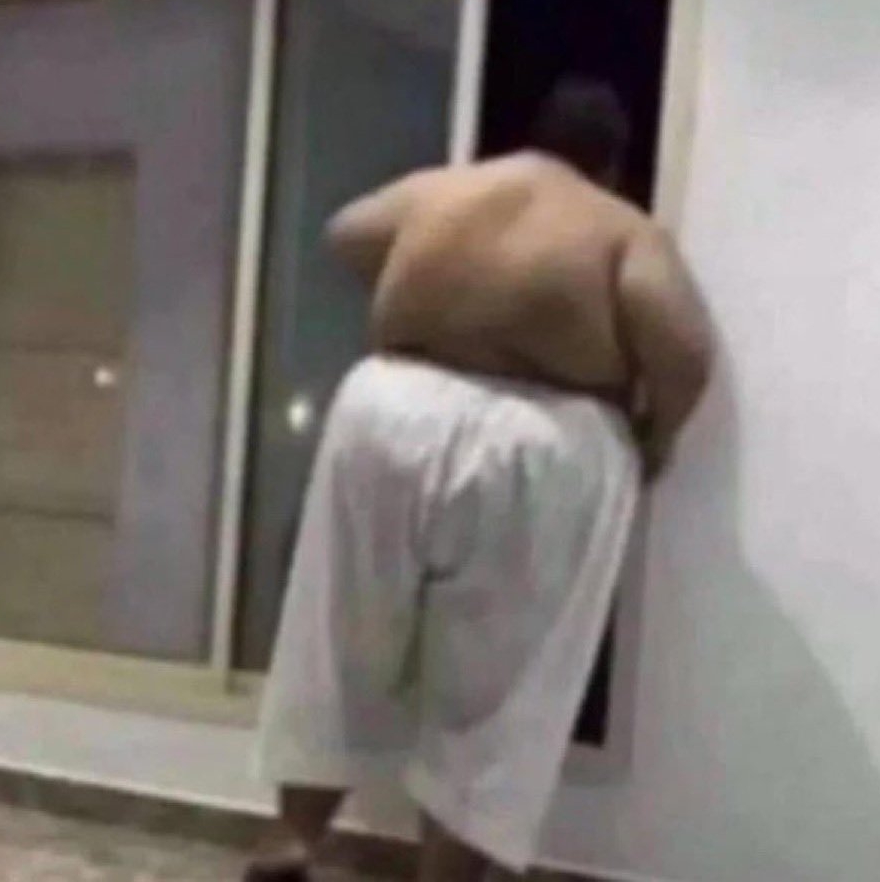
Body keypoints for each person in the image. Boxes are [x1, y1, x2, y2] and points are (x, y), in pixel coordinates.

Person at [244, 78, 713, 882]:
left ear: (534, 136)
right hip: (541, 437)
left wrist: (434, 279)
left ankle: (296, 837)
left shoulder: (448, 190)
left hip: (389, 410)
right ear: (612, 164)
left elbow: (347, 232)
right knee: (499, 686)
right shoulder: (622, 228)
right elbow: (684, 348)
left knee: (339, 629)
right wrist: (656, 435)